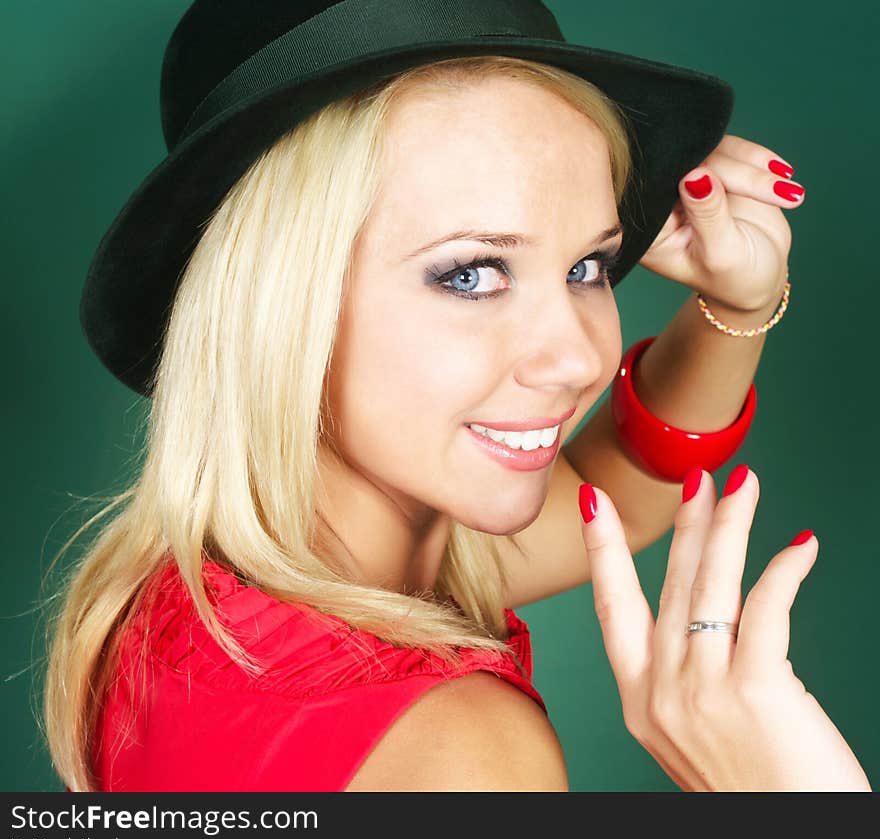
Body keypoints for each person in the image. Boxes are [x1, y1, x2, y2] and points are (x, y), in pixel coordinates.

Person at [44, 0, 871, 791]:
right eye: (471, 275)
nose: (578, 359)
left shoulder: (178, 608)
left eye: (588, 267)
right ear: (276, 302)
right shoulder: (465, 753)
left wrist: (739, 305)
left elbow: (618, 487)